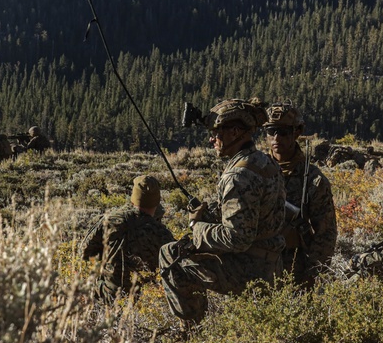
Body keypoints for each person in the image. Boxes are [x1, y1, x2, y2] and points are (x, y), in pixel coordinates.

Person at [160, 99, 287, 324]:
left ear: (235, 132)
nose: (212, 139)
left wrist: (197, 227)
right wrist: (211, 219)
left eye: (216, 132)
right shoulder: (265, 162)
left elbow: (237, 239)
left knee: (170, 255)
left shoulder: (237, 176)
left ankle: (191, 330)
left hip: (250, 271)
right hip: (273, 265)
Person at [262, 103, 337, 287]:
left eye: (284, 132)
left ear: (297, 132)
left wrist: (312, 273)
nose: (276, 138)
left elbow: (326, 233)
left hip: (294, 267)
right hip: (257, 264)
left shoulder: (313, 179)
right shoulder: (255, 172)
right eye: (271, 131)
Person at [81, 174, 174, 302]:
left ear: (133, 198)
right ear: (157, 202)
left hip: (107, 294)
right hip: (143, 300)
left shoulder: (112, 219)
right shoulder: (162, 233)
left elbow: (85, 252)